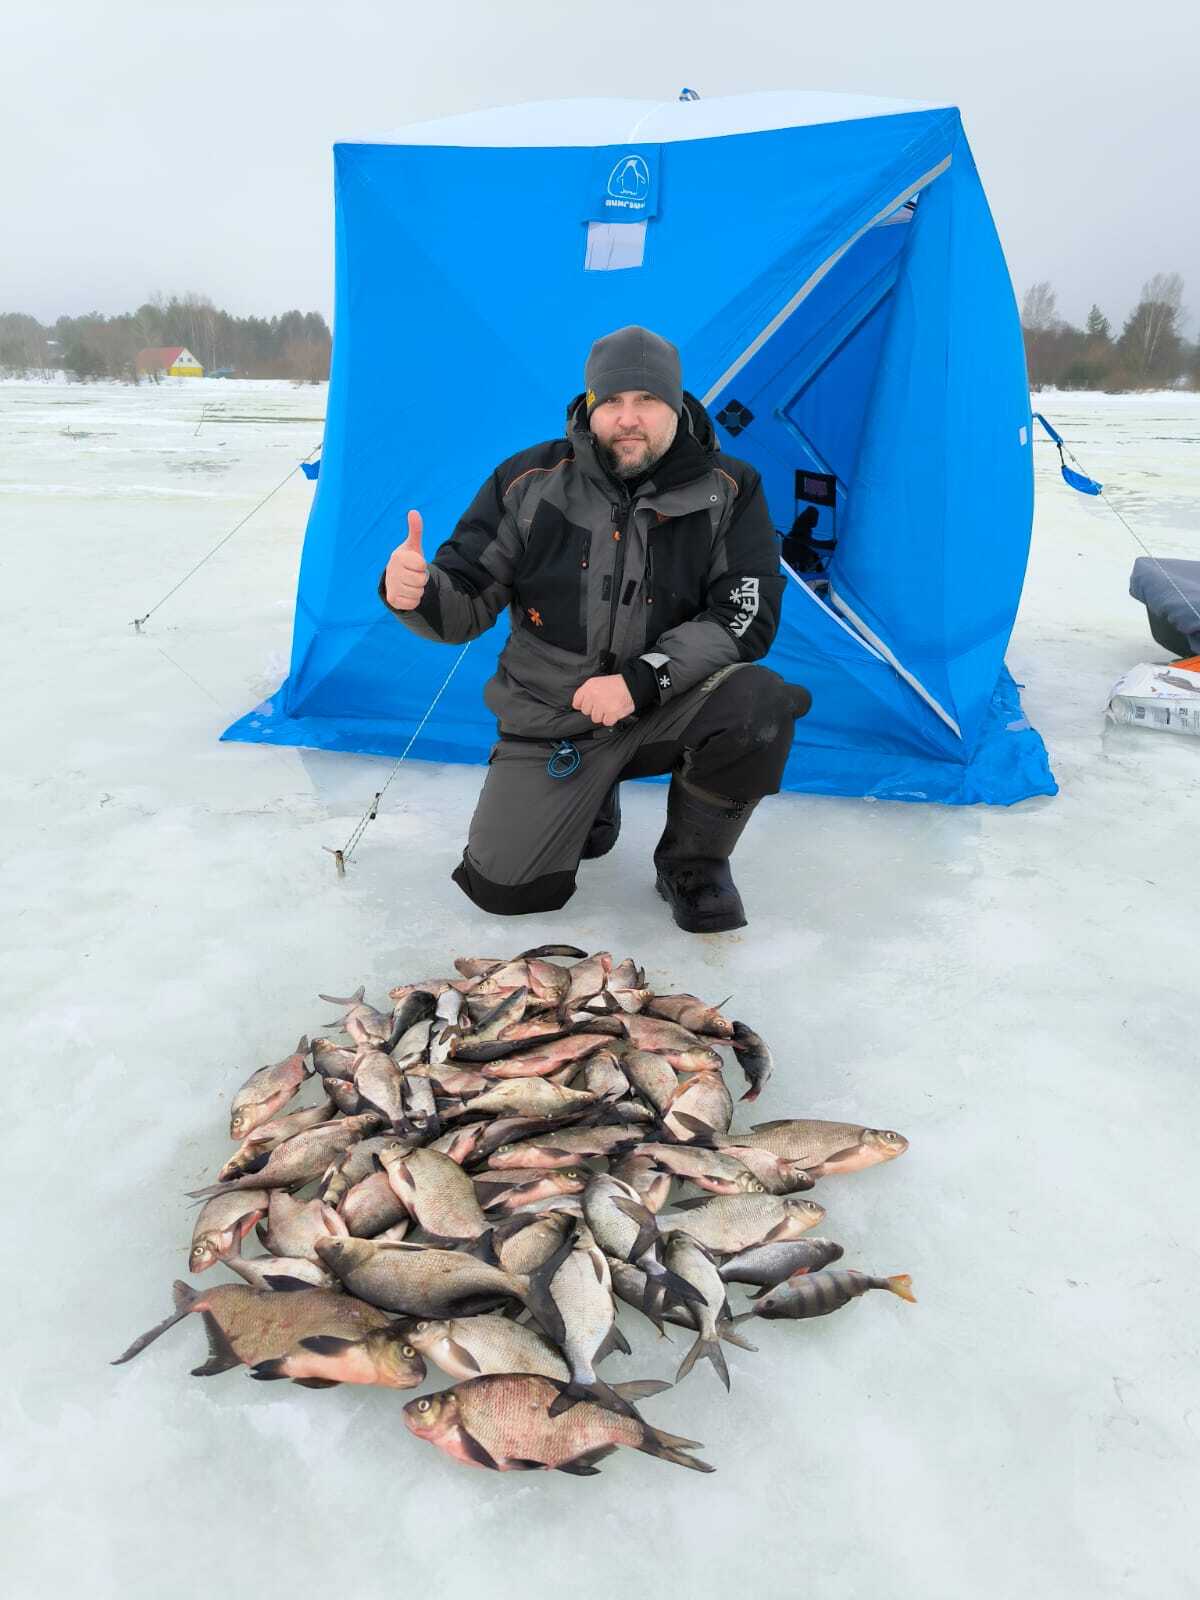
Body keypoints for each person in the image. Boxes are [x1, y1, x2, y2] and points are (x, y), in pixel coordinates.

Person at [380, 325, 810, 932]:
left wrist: (641, 681)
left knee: (757, 703)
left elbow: (745, 616)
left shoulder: (732, 488)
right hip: (553, 716)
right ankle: (591, 797)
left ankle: (694, 862)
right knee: (504, 891)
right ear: (589, 406)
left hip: (663, 705)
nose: (627, 418)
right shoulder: (526, 480)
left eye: (646, 401)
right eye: (611, 401)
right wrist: (419, 594)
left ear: (677, 405)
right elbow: (467, 599)